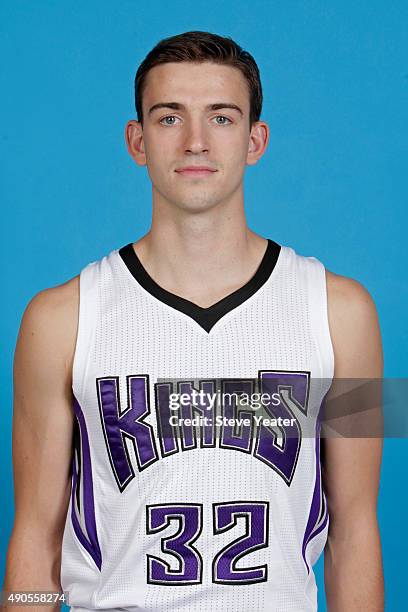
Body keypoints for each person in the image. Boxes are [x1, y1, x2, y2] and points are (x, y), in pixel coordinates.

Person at [3, 31, 384, 612]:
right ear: (136, 140)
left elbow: (357, 532)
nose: (196, 142)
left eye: (222, 118)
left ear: (257, 140)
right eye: (169, 117)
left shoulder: (347, 314)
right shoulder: (56, 320)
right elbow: (34, 538)